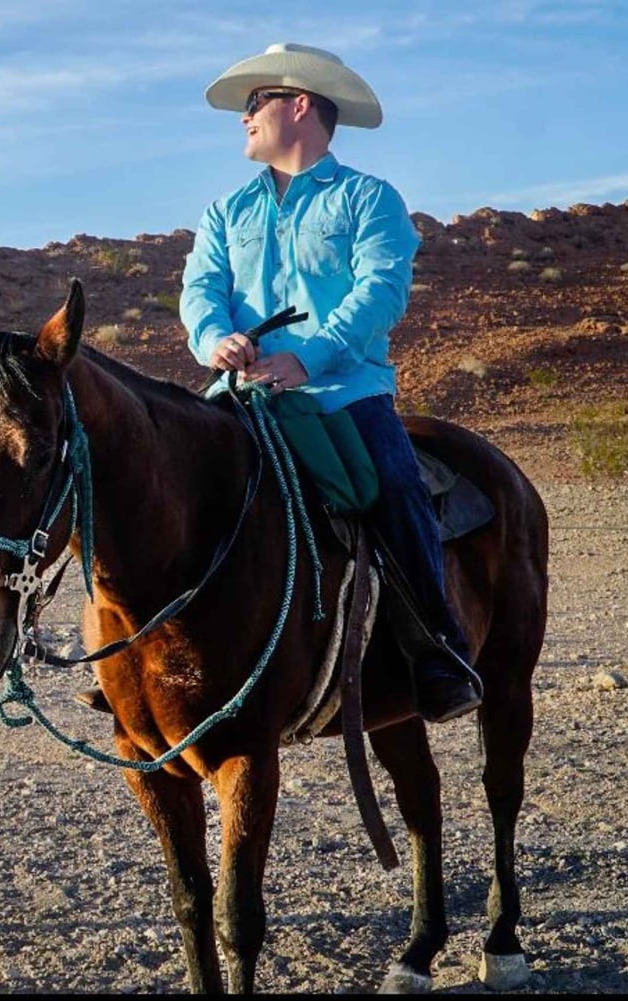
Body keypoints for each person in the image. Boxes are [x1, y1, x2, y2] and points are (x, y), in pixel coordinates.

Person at [177, 43, 480, 723]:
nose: (244, 118)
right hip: (239, 394)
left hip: (343, 392)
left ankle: (438, 651)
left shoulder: (369, 200)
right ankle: (143, 662)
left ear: (301, 105)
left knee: (396, 489)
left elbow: (380, 291)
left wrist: (307, 358)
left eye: (257, 103)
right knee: (160, 484)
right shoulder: (227, 211)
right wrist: (211, 337)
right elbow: (200, 287)